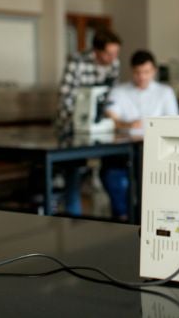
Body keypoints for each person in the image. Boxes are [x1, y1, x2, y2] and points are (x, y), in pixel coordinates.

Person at [100, 49, 179, 220]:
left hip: (156, 151)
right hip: (124, 151)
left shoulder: (165, 92)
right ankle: (122, 217)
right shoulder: (119, 91)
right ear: (132, 71)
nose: (142, 77)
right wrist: (128, 124)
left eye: (146, 72)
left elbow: (174, 123)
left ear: (154, 71)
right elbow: (111, 117)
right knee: (112, 176)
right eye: (137, 72)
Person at [55, 29, 122, 216]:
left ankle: (119, 214)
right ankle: (72, 215)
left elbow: (110, 96)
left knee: (112, 166)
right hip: (72, 127)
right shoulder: (77, 62)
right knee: (74, 169)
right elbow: (65, 97)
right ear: (96, 51)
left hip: (100, 125)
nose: (113, 57)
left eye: (116, 53)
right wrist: (80, 121)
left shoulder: (114, 64)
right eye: (109, 53)